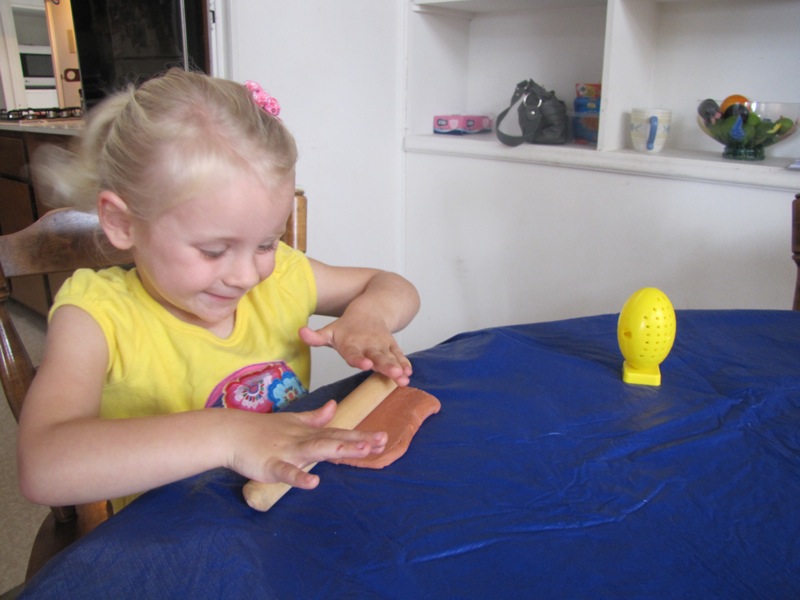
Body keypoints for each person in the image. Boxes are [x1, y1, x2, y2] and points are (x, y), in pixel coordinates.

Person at [18, 69, 420, 513]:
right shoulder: (95, 315)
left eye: (266, 244)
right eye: (213, 250)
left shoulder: (281, 278)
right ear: (122, 223)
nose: (246, 276)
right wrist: (229, 435)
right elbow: (42, 466)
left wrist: (369, 316)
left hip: (277, 511)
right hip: (167, 535)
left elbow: (393, 286)